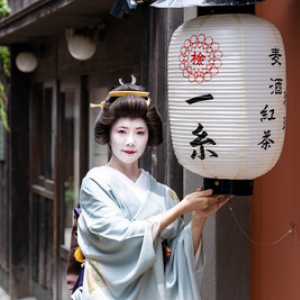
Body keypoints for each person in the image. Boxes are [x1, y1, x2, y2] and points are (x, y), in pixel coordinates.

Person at [75, 80, 230, 300]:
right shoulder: (95, 183)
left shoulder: (164, 194)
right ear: (108, 134)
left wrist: (197, 219)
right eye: (122, 131)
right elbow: (119, 238)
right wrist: (182, 208)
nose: (130, 142)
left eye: (140, 132)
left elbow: (180, 258)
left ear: (149, 137)